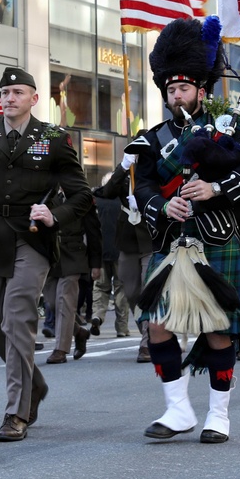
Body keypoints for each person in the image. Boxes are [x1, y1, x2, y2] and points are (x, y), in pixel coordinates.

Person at [131, 16, 240, 444]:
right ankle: (177, 409)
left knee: (217, 328)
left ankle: (219, 415)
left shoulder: (231, 128)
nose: (175, 95)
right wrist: (162, 204)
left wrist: (215, 187)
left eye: (183, 88)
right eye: (170, 90)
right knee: (157, 325)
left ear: (201, 91)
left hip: (217, 238)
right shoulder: (153, 138)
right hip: (173, 243)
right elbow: (145, 185)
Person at [0, 67, 92, 442]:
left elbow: (82, 195)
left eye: (18, 92)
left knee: (18, 318)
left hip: (33, 238)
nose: (10, 98)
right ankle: (34, 385)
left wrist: (54, 215)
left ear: (34, 99)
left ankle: (15, 411)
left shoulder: (54, 139)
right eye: (6, 92)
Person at [93, 144, 156, 360]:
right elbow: (107, 191)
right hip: (128, 239)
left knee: (149, 290)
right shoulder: (126, 172)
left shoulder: (156, 170)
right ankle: (149, 332)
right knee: (130, 292)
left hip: (151, 238)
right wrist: (123, 165)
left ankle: (147, 342)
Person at [43, 196, 100, 364]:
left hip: (74, 252)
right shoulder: (47, 193)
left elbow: (93, 231)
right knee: (52, 302)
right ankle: (80, 333)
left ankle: (60, 350)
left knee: (64, 300)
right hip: (51, 253)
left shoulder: (81, 196)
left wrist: (96, 263)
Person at [91, 172, 125, 338]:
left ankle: (98, 315)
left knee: (100, 287)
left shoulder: (97, 201)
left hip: (101, 250)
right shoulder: (123, 201)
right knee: (121, 289)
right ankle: (122, 327)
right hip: (121, 250)